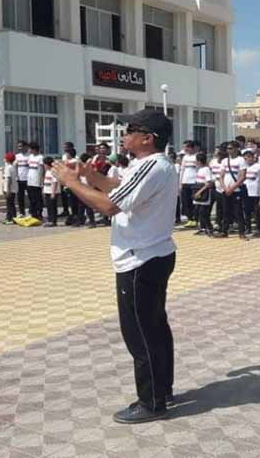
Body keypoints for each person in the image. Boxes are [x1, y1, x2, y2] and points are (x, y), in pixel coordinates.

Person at [52, 108, 177, 424]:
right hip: (150, 255)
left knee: (140, 335)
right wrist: (90, 176)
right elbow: (119, 191)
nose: (124, 134)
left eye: (131, 129)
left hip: (140, 259)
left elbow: (109, 206)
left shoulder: (153, 166)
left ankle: (151, 402)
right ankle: (162, 390)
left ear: (147, 138)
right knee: (155, 328)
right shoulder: (148, 165)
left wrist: (71, 182)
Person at [216, 141, 247, 239]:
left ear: (236, 149)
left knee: (238, 212)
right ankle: (224, 231)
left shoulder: (241, 160)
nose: (228, 150)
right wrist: (225, 188)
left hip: (236, 190)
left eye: (230, 148)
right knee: (225, 211)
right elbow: (221, 176)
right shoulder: (225, 161)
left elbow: (243, 176)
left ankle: (242, 232)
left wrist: (232, 188)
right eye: (227, 148)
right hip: (225, 189)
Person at [192, 153, 214, 236]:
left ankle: (209, 228)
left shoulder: (206, 170)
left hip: (204, 192)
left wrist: (200, 191)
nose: (195, 162)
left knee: (204, 212)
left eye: (196, 160)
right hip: (198, 191)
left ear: (199, 161)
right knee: (199, 211)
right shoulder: (199, 169)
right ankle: (202, 228)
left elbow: (209, 183)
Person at [242, 150, 260, 237]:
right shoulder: (243, 167)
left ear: (252, 157)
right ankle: (248, 228)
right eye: (245, 158)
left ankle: (259, 229)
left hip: (256, 193)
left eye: (247, 158)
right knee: (246, 211)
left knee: (257, 212)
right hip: (246, 192)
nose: (246, 160)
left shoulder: (259, 167)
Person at [179, 141, 199, 228]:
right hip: (185, 181)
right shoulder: (185, 157)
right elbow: (182, 170)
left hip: (194, 181)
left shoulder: (197, 156)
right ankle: (189, 218)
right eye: (184, 147)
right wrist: (180, 182)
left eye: (187, 147)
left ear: (192, 148)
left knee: (194, 201)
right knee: (186, 201)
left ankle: (195, 219)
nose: (185, 149)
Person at [62, 144, 80, 225]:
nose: (66, 155)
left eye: (67, 154)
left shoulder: (74, 161)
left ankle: (76, 218)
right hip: (68, 183)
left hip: (73, 184)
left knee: (73, 202)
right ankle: (73, 216)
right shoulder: (70, 161)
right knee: (71, 202)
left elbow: (65, 164)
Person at [26, 142, 44, 220]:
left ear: (34, 149)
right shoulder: (30, 157)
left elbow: (42, 169)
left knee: (38, 198)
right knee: (31, 198)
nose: (29, 150)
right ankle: (33, 213)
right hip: (30, 180)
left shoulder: (40, 157)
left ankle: (39, 213)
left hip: (37, 180)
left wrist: (42, 180)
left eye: (30, 149)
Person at [209, 147, 226, 232]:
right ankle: (213, 223)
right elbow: (209, 171)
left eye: (221, 156)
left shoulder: (225, 163)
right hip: (213, 186)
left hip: (222, 188)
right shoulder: (213, 161)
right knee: (212, 206)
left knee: (222, 207)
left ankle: (221, 223)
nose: (219, 157)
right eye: (218, 155)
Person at [42, 156, 59, 227]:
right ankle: (50, 220)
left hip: (52, 192)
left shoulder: (53, 171)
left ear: (47, 164)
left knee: (52, 207)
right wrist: (43, 190)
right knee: (48, 206)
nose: (44, 166)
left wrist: (53, 193)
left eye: (44, 164)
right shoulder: (47, 171)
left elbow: (55, 182)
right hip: (47, 191)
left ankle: (53, 221)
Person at [2, 152, 18, 225]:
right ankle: (14, 217)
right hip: (13, 189)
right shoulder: (12, 167)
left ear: (7, 159)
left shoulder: (8, 168)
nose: (4, 159)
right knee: (11, 204)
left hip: (9, 189)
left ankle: (9, 218)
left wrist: (8, 190)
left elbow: (9, 179)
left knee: (9, 205)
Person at [15, 141, 30, 217]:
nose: (19, 148)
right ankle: (22, 212)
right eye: (18, 146)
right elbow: (15, 167)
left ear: (25, 146)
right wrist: (16, 176)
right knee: (20, 197)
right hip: (20, 179)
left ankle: (32, 211)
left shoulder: (29, 156)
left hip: (28, 179)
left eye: (20, 146)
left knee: (31, 196)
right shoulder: (17, 156)